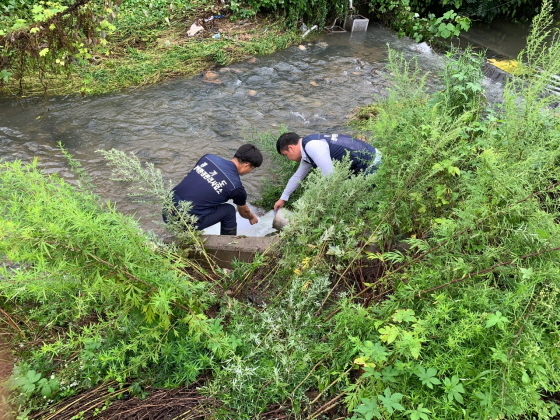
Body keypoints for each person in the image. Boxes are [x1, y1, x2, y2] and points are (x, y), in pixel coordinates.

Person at [165, 143, 263, 235]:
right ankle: (228, 245)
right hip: (183, 222)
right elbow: (243, 212)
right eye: (252, 169)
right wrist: (251, 217)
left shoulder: (208, 158)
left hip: (167, 209)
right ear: (247, 165)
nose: (250, 171)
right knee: (229, 210)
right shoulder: (236, 187)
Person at [273, 132, 381, 211]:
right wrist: (283, 199)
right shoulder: (309, 144)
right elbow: (297, 177)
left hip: (373, 164)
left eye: (286, 155)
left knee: (362, 205)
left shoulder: (312, 147)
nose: (288, 158)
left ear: (291, 148)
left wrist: (314, 204)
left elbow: (331, 178)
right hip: (370, 159)